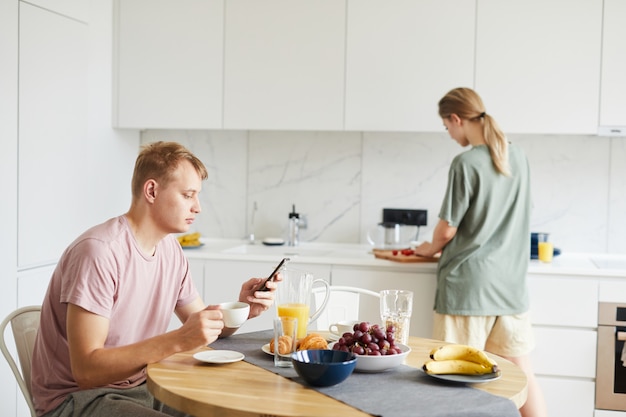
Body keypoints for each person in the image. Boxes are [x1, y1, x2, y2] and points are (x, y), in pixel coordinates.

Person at [31, 141, 279, 417]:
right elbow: (87, 372)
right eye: (188, 195)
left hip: (148, 386)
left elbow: (202, 332)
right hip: (79, 400)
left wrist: (242, 310)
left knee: (237, 410)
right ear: (151, 190)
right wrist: (178, 340)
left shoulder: (170, 250)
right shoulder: (99, 251)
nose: (197, 207)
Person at [414, 88, 547, 417]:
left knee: (455, 381)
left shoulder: (466, 162)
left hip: (467, 287)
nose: (450, 134)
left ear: (456, 119)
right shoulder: (518, 156)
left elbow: (447, 229)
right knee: (523, 376)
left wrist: (427, 249)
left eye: (447, 127)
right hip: (510, 287)